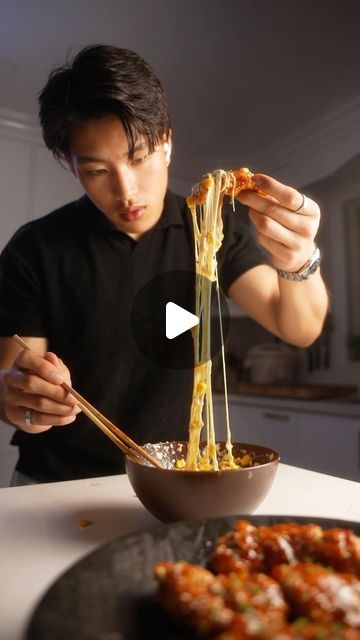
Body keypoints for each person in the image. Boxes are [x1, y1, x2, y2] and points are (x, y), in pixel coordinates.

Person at [0, 45, 328, 485]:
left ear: (168, 143)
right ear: (70, 165)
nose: (126, 190)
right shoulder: (36, 248)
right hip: (56, 480)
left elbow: (298, 327)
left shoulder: (212, 229)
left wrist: (298, 257)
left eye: (139, 158)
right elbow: (15, 383)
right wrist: (26, 401)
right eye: (97, 171)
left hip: (179, 478)